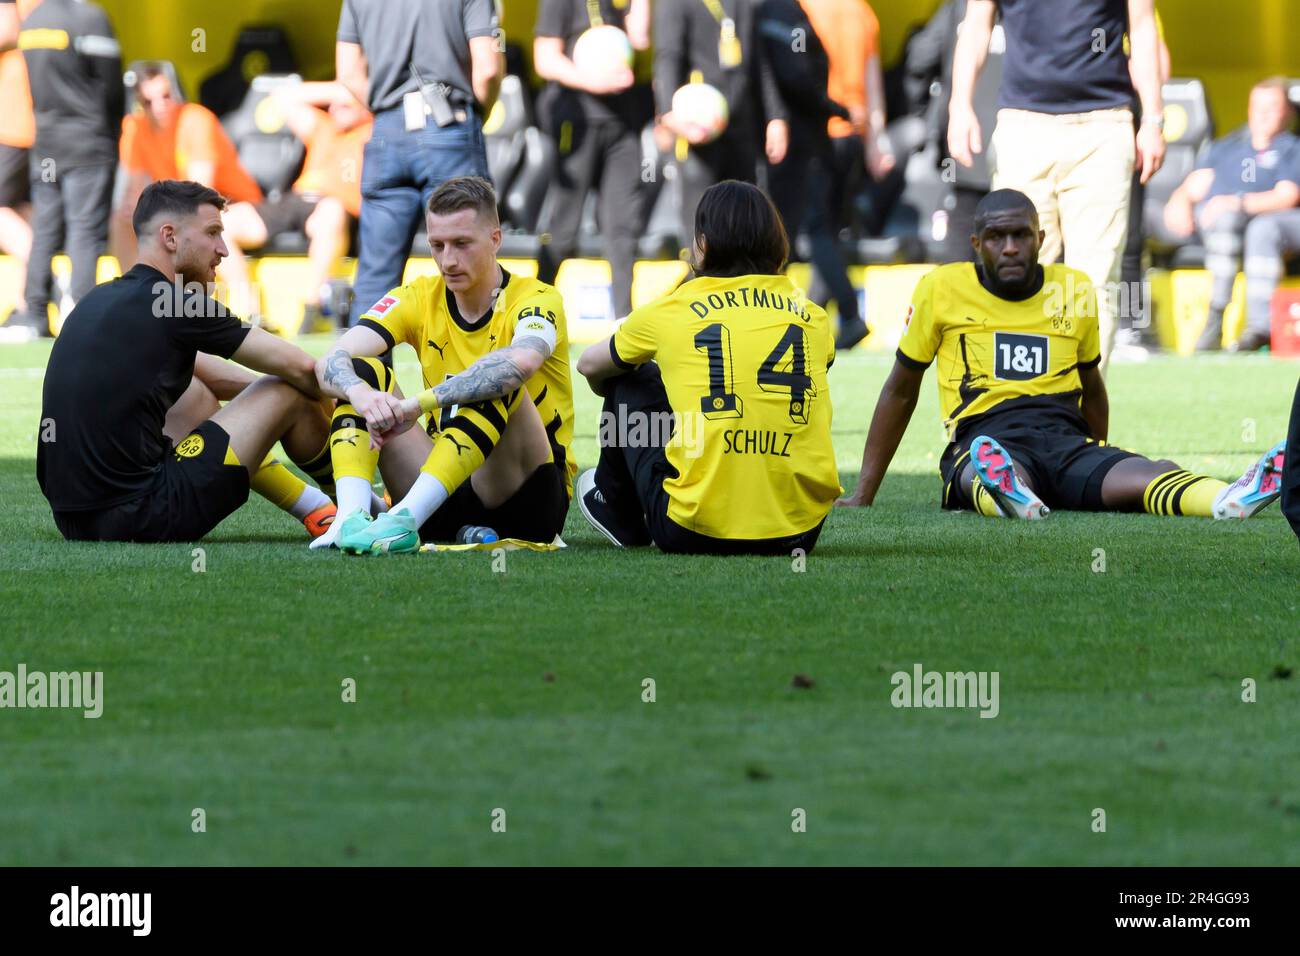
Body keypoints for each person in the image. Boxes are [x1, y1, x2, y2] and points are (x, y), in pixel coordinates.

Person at [837, 190, 1286, 522]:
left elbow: (1092, 389)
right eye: (996, 237)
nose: (1010, 247)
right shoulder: (942, 288)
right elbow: (900, 390)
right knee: (978, 470)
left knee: (1150, 472)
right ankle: (1009, 490)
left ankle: (1227, 497)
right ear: (976, 244)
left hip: (1065, 439)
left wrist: (1098, 456)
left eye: (1021, 235)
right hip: (985, 435)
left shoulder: (1072, 288)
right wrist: (864, 491)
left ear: (1041, 238)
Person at [38, 180, 337, 543]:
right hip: (143, 513)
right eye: (213, 233)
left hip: (74, 522)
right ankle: (355, 506)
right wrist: (355, 395)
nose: (224, 250)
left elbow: (202, 370)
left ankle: (316, 509)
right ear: (170, 237)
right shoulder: (178, 302)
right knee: (286, 388)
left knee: (192, 391)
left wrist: (260, 401)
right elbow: (302, 369)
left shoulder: (99, 298)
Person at [310, 176, 575, 554]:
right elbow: (329, 362)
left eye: (462, 244)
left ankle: (402, 521)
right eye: (437, 245)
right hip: (439, 492)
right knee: (363, 370)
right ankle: (350, 520)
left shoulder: (537, 297)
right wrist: (360, 393)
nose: (448, 260)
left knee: (498, 377)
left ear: (495, 239)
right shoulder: (418, 295)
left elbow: (523, 361)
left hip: (525, 498)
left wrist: (417, 405)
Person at [575, 179, 840, 554]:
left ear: (703, 244)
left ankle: (618, 509)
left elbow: (589, 365)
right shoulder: (813, 317)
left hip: (692, 530)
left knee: (632, 377)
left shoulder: (673, 309)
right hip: (799, 532)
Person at [948, 0, 1166, 374]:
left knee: (1095, 280)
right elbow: (975, 26)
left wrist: (1154, 119)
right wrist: (959, 104)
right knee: (1014, 271)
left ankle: (1082, 412)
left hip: (1105, 125)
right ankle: (1019, 401)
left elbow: (1144, 30)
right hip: (1022, 126)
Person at [336, 0, 503, 325]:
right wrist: (478, 114)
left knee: (375, 274)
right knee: (467, 261)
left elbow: (348, 73)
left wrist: (388, 108)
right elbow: (488, 69)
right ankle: (472, 373)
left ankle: (361, 373)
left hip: (387, 131)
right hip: (449, 127)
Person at [533, 0, 653, 319]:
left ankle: (624, 325)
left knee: (623, 227)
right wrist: (592, 81)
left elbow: (640, 40)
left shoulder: (616, 5)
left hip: (622, 122)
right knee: (564, 227)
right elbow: (544, 59)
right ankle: (531, 313)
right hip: (578, 121)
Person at [220, 81, 373, 332]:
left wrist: (360, 94)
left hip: (338, 206)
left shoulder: (373, 131)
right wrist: (341, 89)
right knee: (223, 224)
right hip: (298, 199)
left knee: (330, 214)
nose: (335, 108)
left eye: (344, 105)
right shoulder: (324, 127)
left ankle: (310, 312)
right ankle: (251, 313)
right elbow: (282, 96)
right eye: (333, 104)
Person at [1163, 77, 1300, 353]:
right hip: (1222, 226)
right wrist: (1179, 200)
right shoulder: (1228, 146)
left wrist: (1236, 202)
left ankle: (1259, 328)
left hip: (1278, 224)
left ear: (1286, 112)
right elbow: (1196, 184)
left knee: (1261, 228)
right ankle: (1216, 316)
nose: (1262, 114)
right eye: (1256, 106)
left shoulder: (1291, 147)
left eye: (1271, 107)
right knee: (1225, 222)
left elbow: (1287, 196)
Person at [114, 64, 264, 315]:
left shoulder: (196, 118)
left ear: (177, 92)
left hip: (233, 204)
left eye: (165, 96)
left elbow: (201, 193)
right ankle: (137, 300)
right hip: (178, 207)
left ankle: (251, 310)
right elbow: (135, 190)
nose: (159, 105)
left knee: (210, 226)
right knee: (121, 220)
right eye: (149, 101)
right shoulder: (135, 126)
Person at [757, 0, 861, 350]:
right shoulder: (786, 11)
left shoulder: (778, 10)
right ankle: (841, 316)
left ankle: (844, 314)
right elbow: (798, 74)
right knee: (815, 230)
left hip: (800, 146)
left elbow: (792, 76)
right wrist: (834, 108)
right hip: (810, 140)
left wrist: (830, 107)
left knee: (802, 229)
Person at [15, 0, 122, 338]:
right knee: (84, 229)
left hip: (46, 142)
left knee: (45, 227)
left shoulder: (32, 21)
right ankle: (82, 312)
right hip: (88, 142)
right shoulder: (89, 17)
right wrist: (113, 130)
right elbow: (113, 87)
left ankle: (33, 312)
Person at [652, 0, 786, 253]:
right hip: (697, 136)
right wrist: (669, 116)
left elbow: (759, 63)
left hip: (741, 133)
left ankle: (742, 286)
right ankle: (697, 286)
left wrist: (775, 117)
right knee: (701, 233)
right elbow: (667, 58)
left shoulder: (746, 5)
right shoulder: (675, 4)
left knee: (745, 227)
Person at [799, 0, 893, 349]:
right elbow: (873, 84)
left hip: (819, 131)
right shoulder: (863, 12)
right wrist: (875, 143)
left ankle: (851, 313)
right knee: (832, 230)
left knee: (817, 229)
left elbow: (797, 75)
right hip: (854, 133)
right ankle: (813, 315)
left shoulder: (804, 9)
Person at [0, 0, 33, 331]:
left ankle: (37, 287)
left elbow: (5, 29)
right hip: (21, 119)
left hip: (13, 122)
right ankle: (30, 299)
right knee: (19, 210)